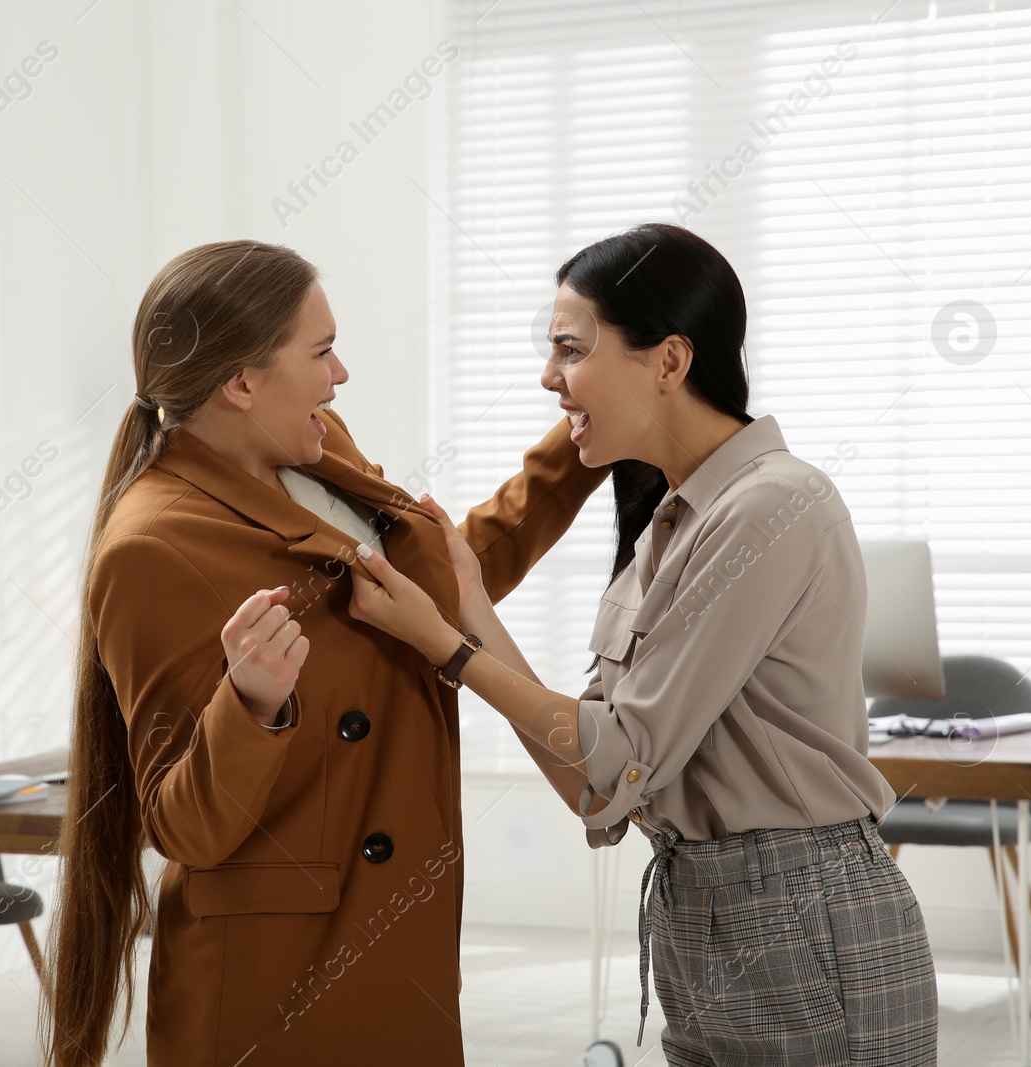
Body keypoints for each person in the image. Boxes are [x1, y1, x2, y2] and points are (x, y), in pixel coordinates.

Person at [344, 223, 939, 1065]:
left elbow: (616, 752)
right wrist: (471, 602)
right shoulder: (666, 525)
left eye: (570, 348)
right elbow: (596, 781)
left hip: (805, 918)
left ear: (668, 361)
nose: (550, 378)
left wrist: (449, 649)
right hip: (696, 915)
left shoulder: (773, 506)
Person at [41, 239, 608, 1066]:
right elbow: (179, 823)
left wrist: (587, 436)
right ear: (240, 381)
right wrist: (250, 706)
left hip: (394, 943)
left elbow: (442, 580)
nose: (339, 375)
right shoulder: (152, 542)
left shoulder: (316, 446)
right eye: (321, 351)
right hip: (277, 990)